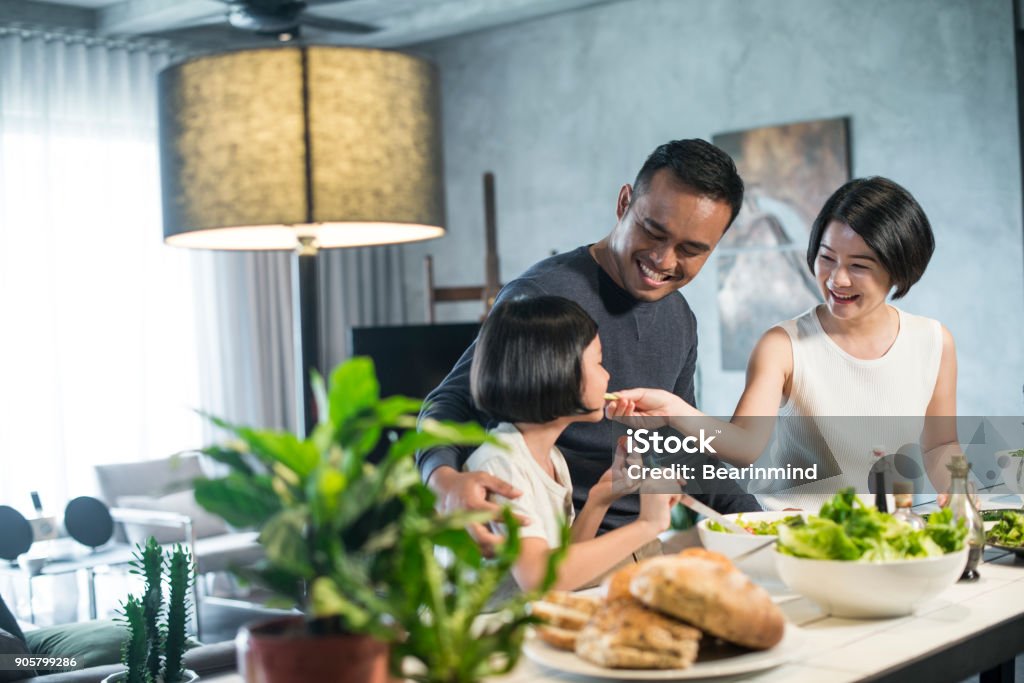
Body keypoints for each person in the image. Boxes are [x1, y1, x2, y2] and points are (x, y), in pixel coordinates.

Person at [417, 138, 760, 554]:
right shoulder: (542, 294)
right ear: (624, 203)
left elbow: (678, 449)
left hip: (641, 542)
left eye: (691, 250)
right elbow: (450, 402)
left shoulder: (680, 318)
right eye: (653, 231)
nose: (665, 261)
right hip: (555, 547)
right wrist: (443, 482)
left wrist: (761, 523)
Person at [608, 176, 959, 511]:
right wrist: (673, 409)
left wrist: (958, 491)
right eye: (827, 258)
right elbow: (743, 445)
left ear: (899, 268)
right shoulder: (783, 345)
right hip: (795, 532)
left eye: (859, 266)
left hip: (886, 530)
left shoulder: (933, 342)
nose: (837, 278)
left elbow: (941, 444)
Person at [465, 296, 681, 591]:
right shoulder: (499, 464)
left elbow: (564, 564)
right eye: (599, 362)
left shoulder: (552, 458)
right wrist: (648, 524)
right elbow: (539, 576)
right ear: (557, 370)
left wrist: (599, 499)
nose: (608, 376)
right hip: (484, 631)